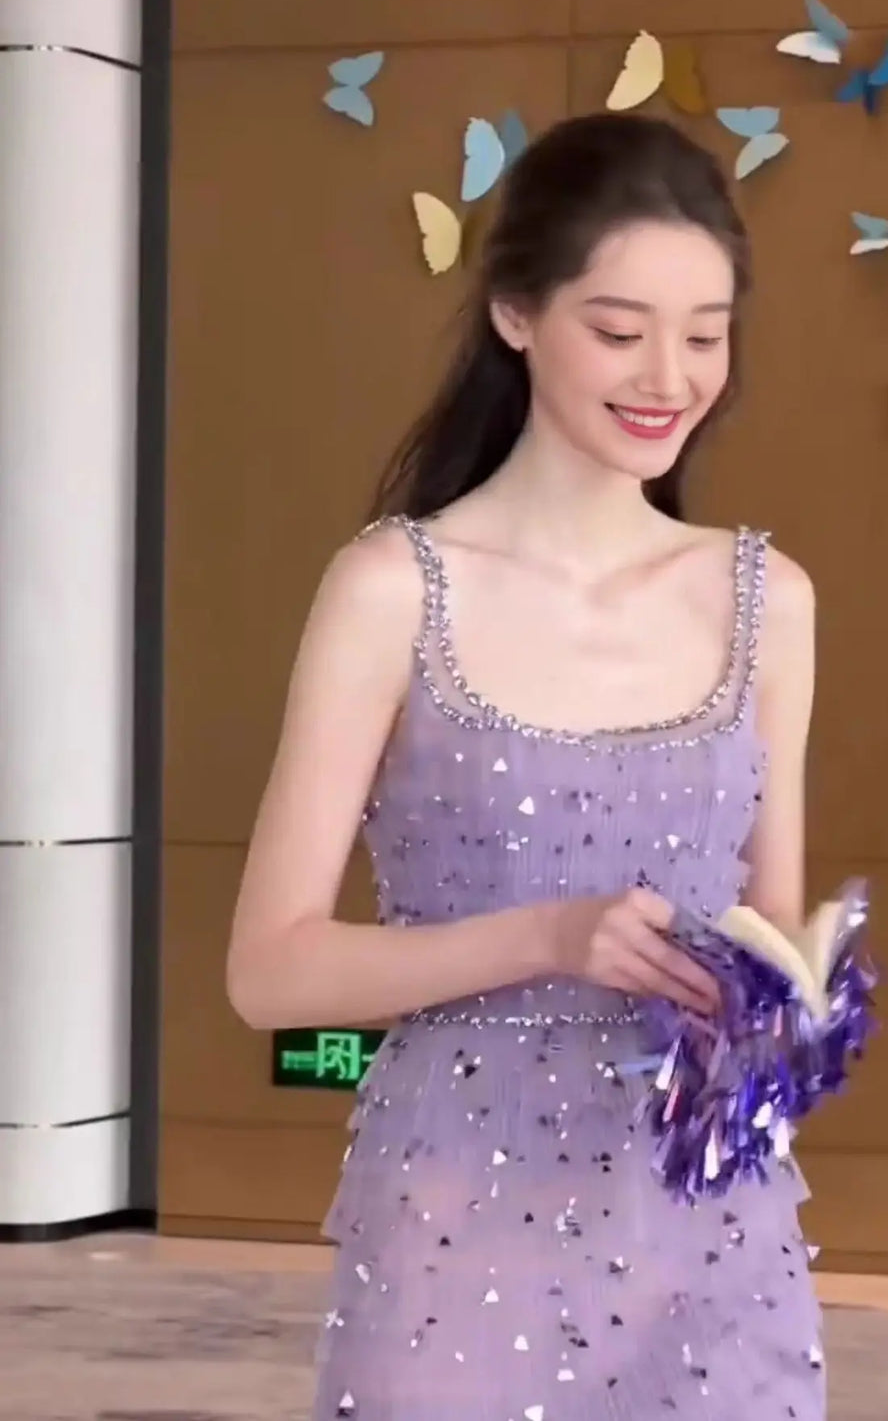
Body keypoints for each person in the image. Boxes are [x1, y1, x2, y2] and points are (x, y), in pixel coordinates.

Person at [226, 111, 823, 1420]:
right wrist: (550, 934)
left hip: (714, 1250)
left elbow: (776, 937)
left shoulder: (768, 600)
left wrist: (797, 1006)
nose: (669, 372)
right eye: (620, 330)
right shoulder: (393, 590)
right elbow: (270, 973)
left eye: (706, 334)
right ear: (514, 314)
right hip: (455, 1247)